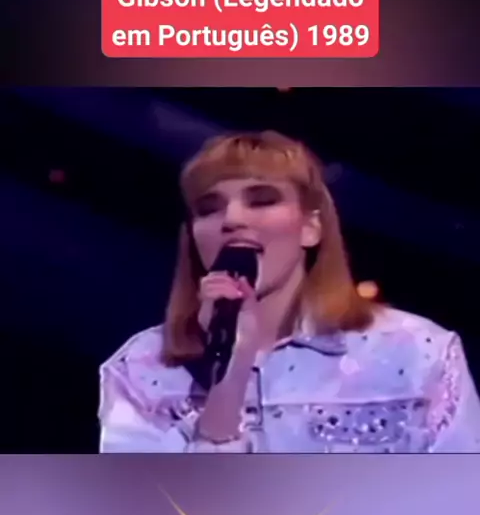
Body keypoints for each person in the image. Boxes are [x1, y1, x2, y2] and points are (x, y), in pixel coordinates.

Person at [98, 130, 480, 453]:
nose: (232, 219)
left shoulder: (415, 352)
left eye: (262, 200)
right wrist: (228, 379)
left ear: (311, 227)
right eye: (208, 208)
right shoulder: (143, 368)